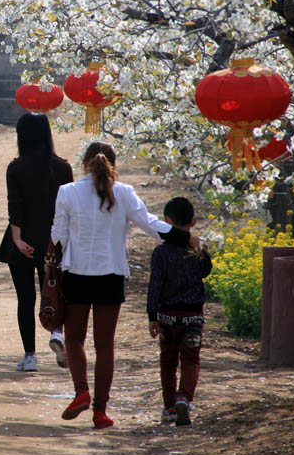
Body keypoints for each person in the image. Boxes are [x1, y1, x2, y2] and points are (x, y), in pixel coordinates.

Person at [50, 141, 200, 429]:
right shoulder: (124, 193)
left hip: (77, 274)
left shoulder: (67, 192)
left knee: (74, 339)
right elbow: (151, 225)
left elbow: (58, 237)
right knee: (105, 346)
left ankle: (81, 390)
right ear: (113, 165)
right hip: (111, 274)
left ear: (84, 164)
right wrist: (186, 237)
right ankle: (100, 411)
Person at [0, 112, 73, 371]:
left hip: (22, 241)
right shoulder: (63, 167)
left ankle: (30, 357)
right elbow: (67, 209)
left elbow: (14, 206)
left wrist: (18, 240)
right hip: (54, 241)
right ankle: (57, 335)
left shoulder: (16, 167)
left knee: (25, 299)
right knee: (54, 293)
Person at [147, 196, 212, 427]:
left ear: (166, 221)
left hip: (167, 317)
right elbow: (205, 272)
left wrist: (152, 317)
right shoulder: (197, 248)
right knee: (191, 359)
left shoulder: (160, 253)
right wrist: (204, 253)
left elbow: (155, 285)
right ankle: (184, 397)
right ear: (193, 222)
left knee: (168, 362)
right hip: (193, 316)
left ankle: (170, 407)